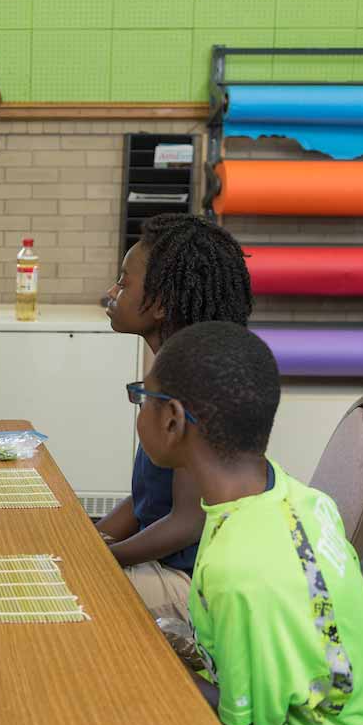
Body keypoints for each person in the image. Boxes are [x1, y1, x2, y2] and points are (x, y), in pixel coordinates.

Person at [136, 321, 363, 725]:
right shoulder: (296, 497)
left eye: (142, 399)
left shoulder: (240, 568)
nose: (138, 409)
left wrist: (155, 668)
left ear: (173, 420)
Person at [95, 213, 254, 622]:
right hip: (174, 566)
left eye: (124, 283)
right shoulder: (176, 366)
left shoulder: (195, 385)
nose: (110, 293)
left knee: (64, 592)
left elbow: (186, 523)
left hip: (194, 584)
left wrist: (100, 559)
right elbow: (150, 500)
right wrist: (94, 538)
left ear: (162, 304)